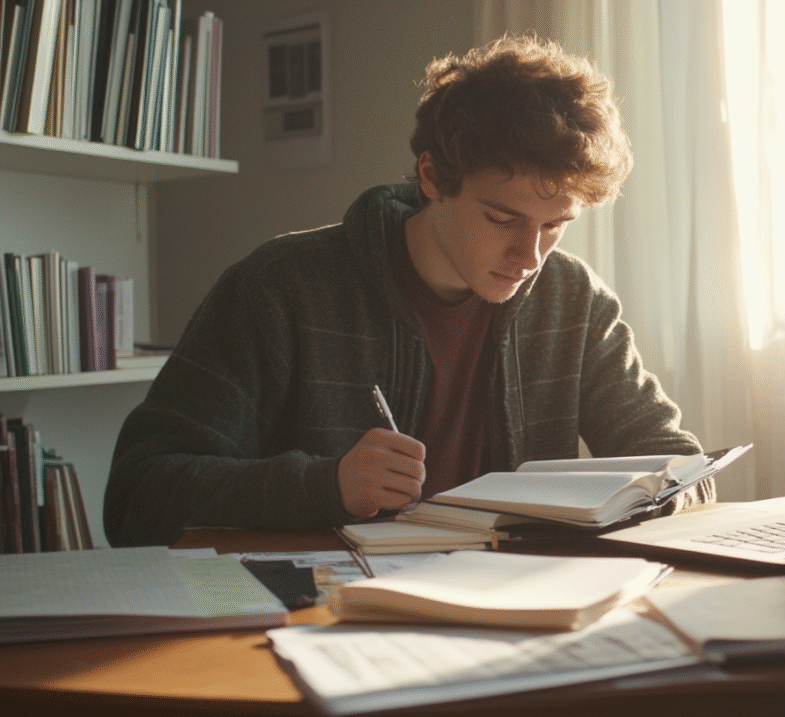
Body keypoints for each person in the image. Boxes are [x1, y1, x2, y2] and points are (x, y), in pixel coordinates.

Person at [104, 35, 712, 547]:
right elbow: (136, 497)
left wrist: (648, 499)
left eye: (554, 226)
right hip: (322, 617)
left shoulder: (573, 301)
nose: (529, 257)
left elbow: (680, 465)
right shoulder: (280, 288)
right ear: (431, 177)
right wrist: (327, 486)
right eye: (502, 220)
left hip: (515, 613)